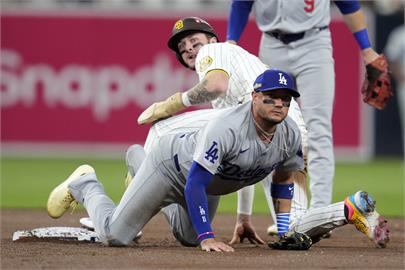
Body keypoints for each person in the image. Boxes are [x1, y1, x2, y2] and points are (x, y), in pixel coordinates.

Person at [47, 69, 389, 251]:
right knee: (115, 237)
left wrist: (284, 231)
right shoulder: (225, 128)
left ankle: (138, 162)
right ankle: (86, 183)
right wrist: (209, 235)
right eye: (272, 97)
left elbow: (284, 180)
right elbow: (195, 181)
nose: (280, 104)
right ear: (255, 96)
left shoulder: (288, 134)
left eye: (286, 99)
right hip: (174, 167)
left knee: (187, 236)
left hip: (207, 179)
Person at [136, 16, 309, 242]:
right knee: (297, 227)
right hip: (283, 139)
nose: (188, 48)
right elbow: (241, 154)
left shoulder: (215, 50)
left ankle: (131, 211)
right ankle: (346, 211)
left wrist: (173, 103)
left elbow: (216, 85)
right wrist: (243, 217)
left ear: (211, 40)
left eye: (194, 41)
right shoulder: (235, 63)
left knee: (160, 129)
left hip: (280, 133)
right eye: (182, 47)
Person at [226, 0, 385, 234]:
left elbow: (349, 5)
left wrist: (367, 49)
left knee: (319, 130)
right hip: (271, 43)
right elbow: (241, 4)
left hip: (314, 44)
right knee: (269, 129)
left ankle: (320, 213)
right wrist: (231, 41)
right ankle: (284, 216)